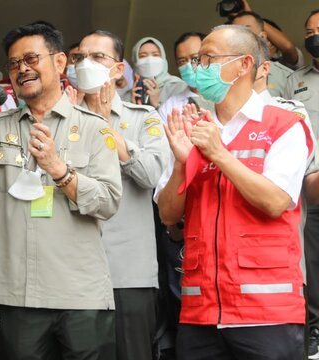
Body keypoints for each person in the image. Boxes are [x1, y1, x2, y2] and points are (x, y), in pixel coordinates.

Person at [0, 23, 123, 359]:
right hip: (19, 294)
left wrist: (59, 170)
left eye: (31, 59)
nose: (22, 69)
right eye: (14, 64)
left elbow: (108, 202)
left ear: (59, 63)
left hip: (81, 294)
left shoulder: (94, 127)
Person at [156, 25, 312, 360]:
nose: (198, 67)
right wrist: (183, 165)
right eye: (197, 60)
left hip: (266, 310)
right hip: (200, 309)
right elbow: (168, 215)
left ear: (243, 65)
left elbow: (275, 201)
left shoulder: (284, 123)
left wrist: (219, 154)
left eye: (208, 58)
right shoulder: (192, 126)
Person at [71, 29, 169, 360]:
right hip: (69, 272)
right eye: (80, 58)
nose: (86, 64)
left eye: (98, 57)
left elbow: (151, 175)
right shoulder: (59, 119)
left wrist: (102, 126)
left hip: (127, 272)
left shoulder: (143, 118)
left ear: (118, 69)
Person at [285, 8, 319, 359]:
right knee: (311, 261)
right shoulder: (296, 82)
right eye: (308, 32)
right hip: (312, 186)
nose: (314, 37)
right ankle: (314, 329)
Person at [231, 11, 292, 98]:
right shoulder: (222, 71)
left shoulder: (285, 77)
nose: (240, 35)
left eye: (247, 30)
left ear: (262, 37)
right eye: (236, 31)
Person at [158, 32, 207, 122]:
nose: (188, 65)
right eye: (182, 61)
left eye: (195, 58)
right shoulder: (170, 108)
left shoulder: (228, 97)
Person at [128, 37, 188, 109]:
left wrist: (156, 105)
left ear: (163, 59)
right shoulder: (131, 93)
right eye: (143, 56)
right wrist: (132, 107)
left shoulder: (178, 87)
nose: (149, 60)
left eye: (155, 55)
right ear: (135, 62)